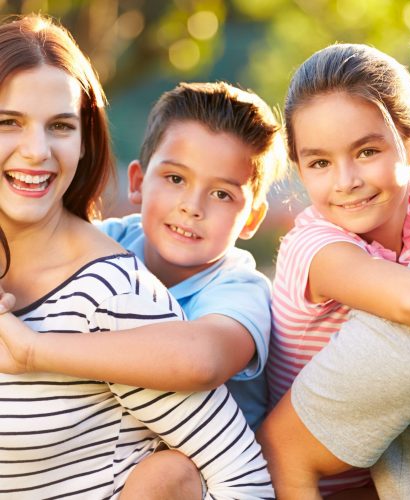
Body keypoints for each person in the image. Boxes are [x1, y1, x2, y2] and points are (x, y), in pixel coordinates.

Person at [0, 14, 274, 499]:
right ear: (137, 183)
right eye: (8, 122)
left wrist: (31, 350)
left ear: (84, 141)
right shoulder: (119, 240)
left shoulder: (115, 289)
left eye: (60, 126)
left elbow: (203, 364)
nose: (35, 150)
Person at [259, 0, 410, 498]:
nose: (347, 181)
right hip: (320, 474)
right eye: (320, 163)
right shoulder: (317, 247)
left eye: (367, 152)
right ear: (300, 171)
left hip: (387, 455)